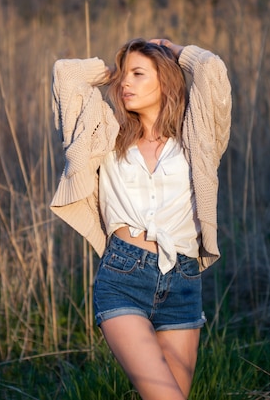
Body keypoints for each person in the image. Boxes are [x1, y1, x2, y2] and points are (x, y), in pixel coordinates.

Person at [50, 37, 231, 399]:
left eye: (138, 74)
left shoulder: (196, 137)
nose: (126, 83)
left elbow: (211, 71)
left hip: (182, 281)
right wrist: (113, 71)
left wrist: (176, 52)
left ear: (164, 80)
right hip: (123, 278)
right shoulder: (106, 134)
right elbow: (65, 74)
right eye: (124, 76)